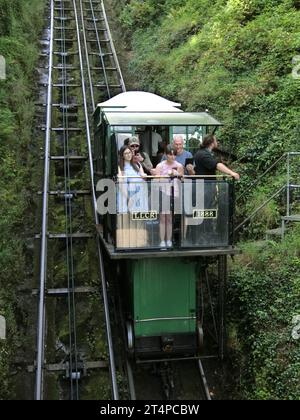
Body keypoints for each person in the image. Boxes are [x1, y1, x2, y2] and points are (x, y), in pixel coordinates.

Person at [155, 145, 184, 248]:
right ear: (166, 154)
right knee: (163, 217)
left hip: (174, 193)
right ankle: (162, 241)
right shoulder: (160, 166)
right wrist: (167, 175)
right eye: (170, 154)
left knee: (170, 218)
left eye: (174, 154)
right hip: (163, 192)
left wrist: (178, 175)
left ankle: (169, 240)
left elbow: (182, 180)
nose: (172, 157)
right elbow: (156, 181)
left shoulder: (179, 166)